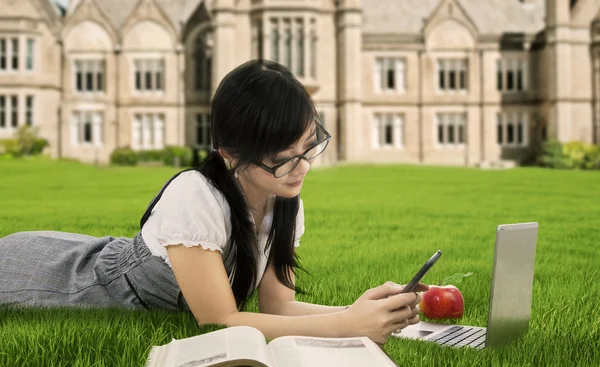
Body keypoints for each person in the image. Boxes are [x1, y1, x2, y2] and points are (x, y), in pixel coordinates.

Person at [0, 59, 428, 345]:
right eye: (283, 160)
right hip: (60, 278)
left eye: (308, 147)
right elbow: (219, 320)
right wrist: (346, 327)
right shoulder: (195, 196)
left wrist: (362, 310)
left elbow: (277, 306)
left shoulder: (283, 198)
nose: (303, 168)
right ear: (230, 155)